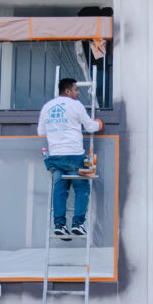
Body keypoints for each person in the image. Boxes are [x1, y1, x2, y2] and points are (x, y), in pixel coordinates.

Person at [37, 78, 104, 239]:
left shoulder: (47, 107)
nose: (78, 92)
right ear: (67, 91)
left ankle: (59, 225)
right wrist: (99, 124)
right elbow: (89, 127)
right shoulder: (75, 105)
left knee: (60, 190)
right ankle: (78, 224)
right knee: (82, 188)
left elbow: (41, 132)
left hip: (55, 157)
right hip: (74, 155)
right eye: (75, 90)